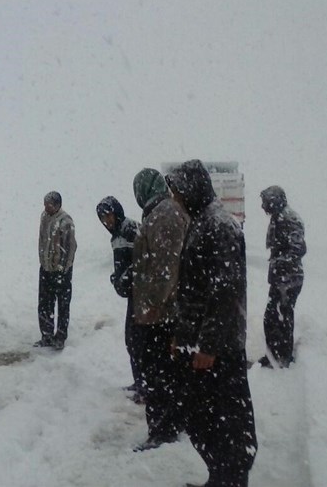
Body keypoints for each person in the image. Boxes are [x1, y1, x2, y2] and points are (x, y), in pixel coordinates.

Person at [166, 160, 257, 487]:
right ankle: (219, 477)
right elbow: (193, 290)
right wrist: (182, 335)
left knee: (226, 423)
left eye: (176, 191)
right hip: (200, 343)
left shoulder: (219, 225)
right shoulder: (202, 220)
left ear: (191, 189)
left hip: (219, 350)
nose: (174, 198)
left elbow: (224, 293)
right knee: (201, 418)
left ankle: (230, 479)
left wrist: (208, 345)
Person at [130, 168, 189, 451]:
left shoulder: (164, 215)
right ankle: (170, 423)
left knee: (159, 373)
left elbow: (166, 266)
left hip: (162, 314)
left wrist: (152, 304)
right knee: (165, 372)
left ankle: (163, 430)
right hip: (165, 311)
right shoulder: (162, 212)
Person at [96, 196, 142, 395]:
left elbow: (143, 260)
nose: (106, 221)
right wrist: (117, 277)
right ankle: (139, 381)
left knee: (138, 341)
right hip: (133, 294)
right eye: (102, 218)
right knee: (131, 340)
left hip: (142, 295)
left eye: (108, 216)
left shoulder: (129, 229)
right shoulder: (116, 236)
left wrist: (125, 278)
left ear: (117, 212)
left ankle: (145, 385)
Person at [258, 185, 306, 368]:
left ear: (274, 201)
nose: (263, 207)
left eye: (265, 203)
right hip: (282, 278)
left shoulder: (289, 219)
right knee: (276, 317)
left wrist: (280, 265)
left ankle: (281, 356)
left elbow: (298, 248)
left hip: (288, 279)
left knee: (279, 317)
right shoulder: (279, 217)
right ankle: (275, 354)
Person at [36, 191, 77, 350]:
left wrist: (63, 268)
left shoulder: (66, 222)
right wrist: (43, 261)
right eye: (45, 204)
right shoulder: (44, 217)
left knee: (62, 305)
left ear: (58, 205)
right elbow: (41, 239)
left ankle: (60, 337)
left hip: (62, 272)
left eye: (50, 204)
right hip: (46, 268)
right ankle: (46, 335)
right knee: (44, 303)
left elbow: (71, 247)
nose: (46, 207)